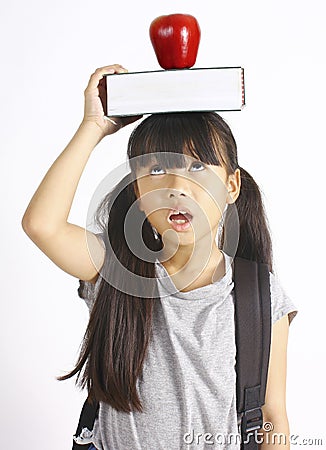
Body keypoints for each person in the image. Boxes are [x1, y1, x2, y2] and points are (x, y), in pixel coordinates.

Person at [22, 64, 298, 450]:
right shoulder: (114, 268)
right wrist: (93, 127)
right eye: (156, 169)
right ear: (137, 191)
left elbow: (271, 417)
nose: (176, 186)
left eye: (198, 166)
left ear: (231, 186)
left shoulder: (258, 293)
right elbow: (42, 225)